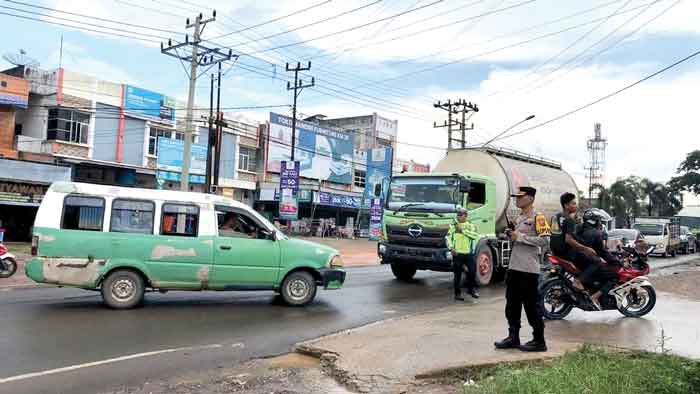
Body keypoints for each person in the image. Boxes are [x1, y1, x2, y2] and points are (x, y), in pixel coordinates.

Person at [494, 186, 550, 352]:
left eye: (520, 197)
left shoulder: (538, 218)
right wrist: (511, 234)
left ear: (530, 199)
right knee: (512, 305)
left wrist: (520, 237)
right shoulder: (519, 219)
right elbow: (517, 240)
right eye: (516, 197)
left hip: (528, 270)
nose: (517, 200)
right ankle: (513, 337)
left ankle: (539, 340)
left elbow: (545, 241)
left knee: (531, 306)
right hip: (514, 268)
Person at [549, 193, 601, 291]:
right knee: (596, 261)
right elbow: (569, 240)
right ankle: (579, 281)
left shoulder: (555, 217)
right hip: (567, 252)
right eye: (573, 204)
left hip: (555, 251)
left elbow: (558, 235)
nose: (576, 206)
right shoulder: (569, 220)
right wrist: (587, 249)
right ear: (566, 205)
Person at [576, 209, 621, 310]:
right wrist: (616, 261)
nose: (600, 222)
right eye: (599, 220)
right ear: (594, 221)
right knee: (614, 277)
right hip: (587, 262)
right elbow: (602, 252)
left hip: (575, 258)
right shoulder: (596, 234)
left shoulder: (578, 228)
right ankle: (595, 297)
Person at [446, 207, 480, 301]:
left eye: (461, 215)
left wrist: (463, 231)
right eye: (458, 215)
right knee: (457, 275)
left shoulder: (470, 225)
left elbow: (474, 236)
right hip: (457, 254)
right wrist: (451, 248)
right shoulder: (453, 226)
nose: (459, 217)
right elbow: (448, 238)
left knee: (472, 271)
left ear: (466, 216)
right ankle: (457, 294)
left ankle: (471, 290)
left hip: (468, 253)